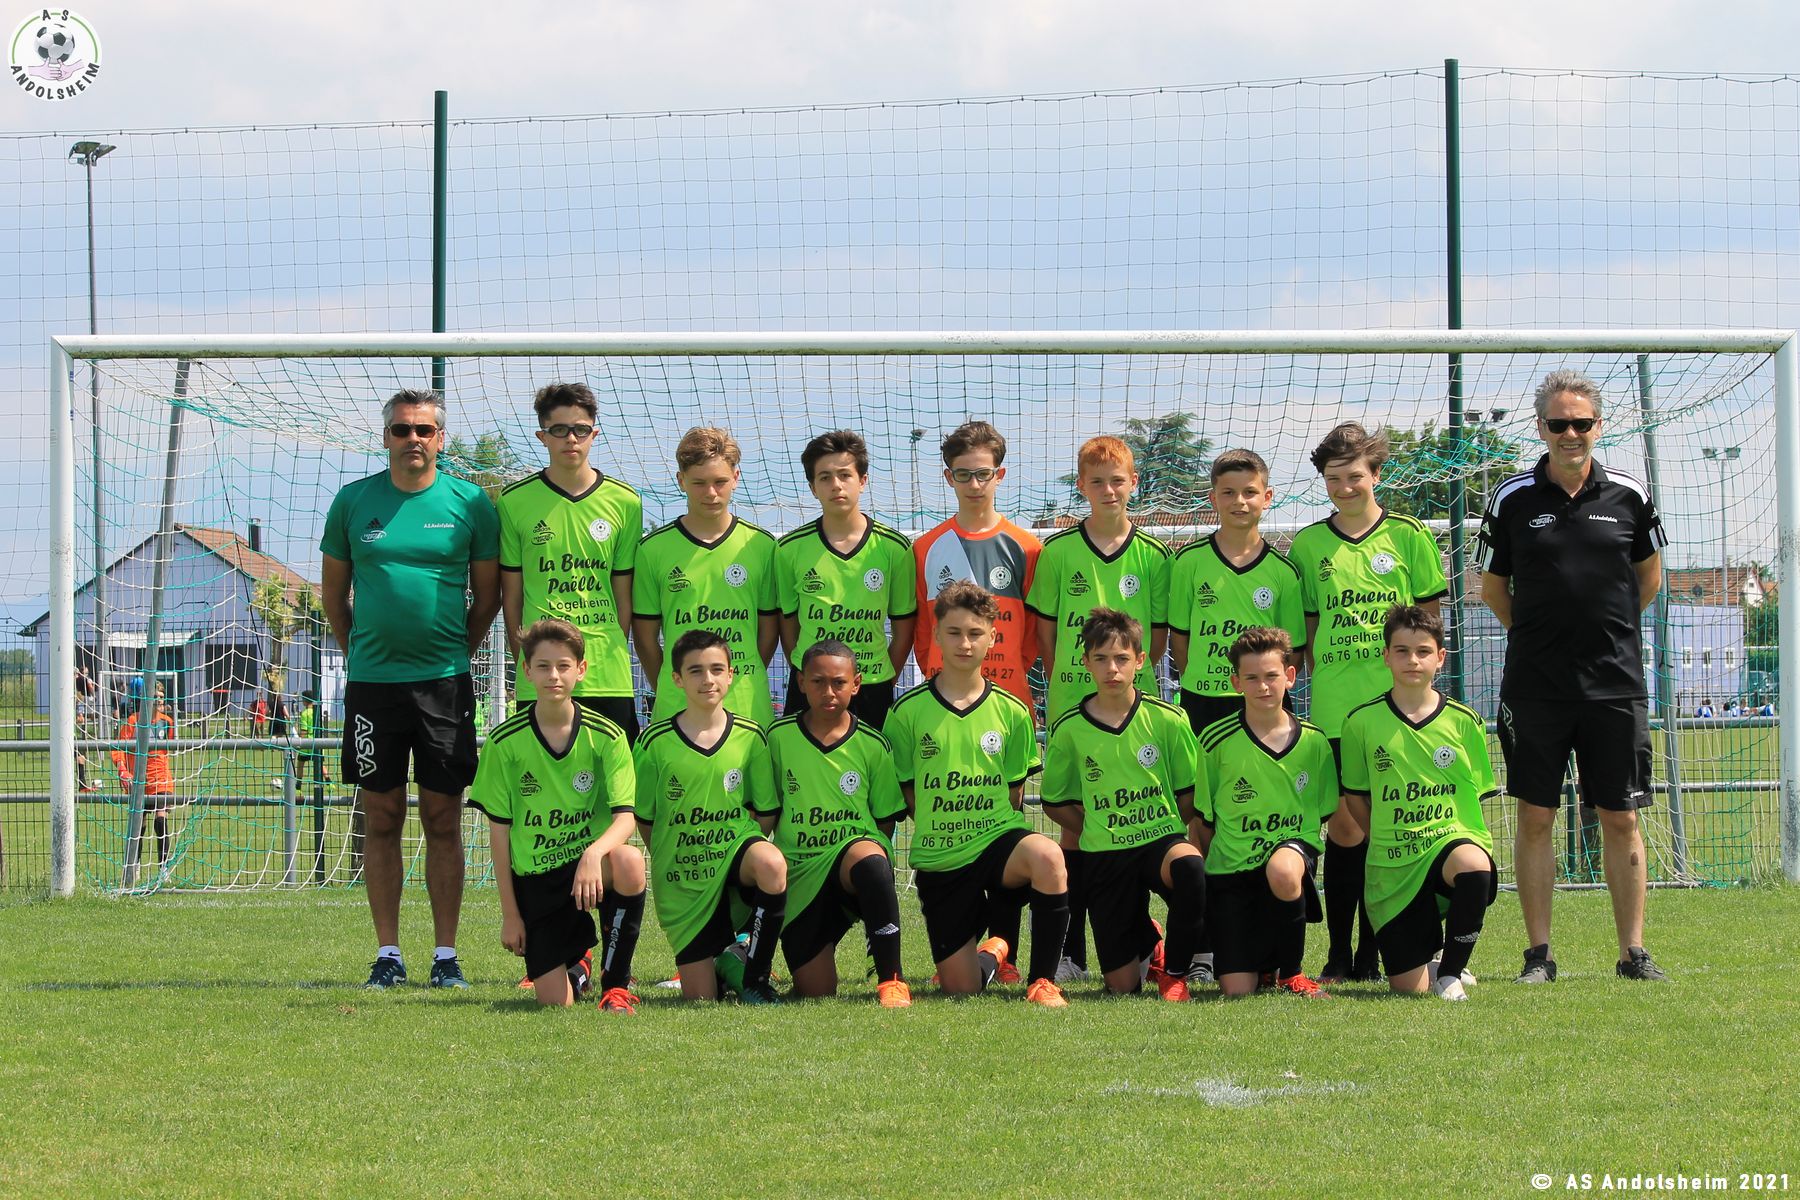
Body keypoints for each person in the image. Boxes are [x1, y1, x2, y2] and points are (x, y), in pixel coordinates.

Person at [1479, 369, 1670, 984]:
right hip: (1536, 687)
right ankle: (1539, 955)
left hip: (1615, 685)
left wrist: (1604, 634)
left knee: (1622, 818)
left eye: (1581, 423)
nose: (1570, 433)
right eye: (1558, 423)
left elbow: (1648, 580)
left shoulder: (1631, 495)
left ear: (1598, 427)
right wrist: (1540, 637)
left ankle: (1634, 954)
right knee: (1536, 817)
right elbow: (1492, 588)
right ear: (1541, 428)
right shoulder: (1511, 498)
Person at [321, 388, 501, 990]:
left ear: (440, 438)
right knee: (381, 815)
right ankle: (388, 954)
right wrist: (361, 657)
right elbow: (333, 598)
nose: (413, 439)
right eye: (402, 429)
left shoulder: (470, 502)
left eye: (424, 429)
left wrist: (455, 654)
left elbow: (488, 598)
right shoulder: (353, 502)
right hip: (373, 688)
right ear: (386, 437)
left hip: (444, 686)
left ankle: (446, 956)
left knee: (443, 816)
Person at [1289, 421, 1447, 984]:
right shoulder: (1309, 545)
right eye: (1333, 479)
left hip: (1398, 710)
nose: (1345, 488)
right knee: (1345, 832)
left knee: (1392, 829)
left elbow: (1428, 624)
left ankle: (1380, 952)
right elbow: (1307, 631)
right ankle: (1339, 954)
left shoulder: (1408, 535)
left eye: (1354, 476)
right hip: (1336, 709)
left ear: (1376, 474)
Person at [1026, 435, 1171, 983]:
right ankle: (1070, 953)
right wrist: (1069, 679)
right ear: (1081, 487)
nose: (1108, 490)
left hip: (1136, 709)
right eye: (1096, 482)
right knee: (1074, 829)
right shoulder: (1059, 552)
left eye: (1117, 481)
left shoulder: (1153, 555)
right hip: (1074, 706)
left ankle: (1140, 943)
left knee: (1135, 828)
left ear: (1134, 483)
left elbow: (1156, 640)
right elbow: (1046, 634)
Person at [886, 582, 1070, 1006]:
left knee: (1048, 856)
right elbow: (909, 793)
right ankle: (992, 951)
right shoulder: (907, 712)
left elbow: (1014, 795)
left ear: (992, 636)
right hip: (941, 855)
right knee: (960, 988)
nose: (964, 643)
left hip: (994, 842)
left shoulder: (1013, 711)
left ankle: (1042, 981)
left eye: (974, 633)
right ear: (936, 634)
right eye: (954, 632)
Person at [909, 420, 1043, 984]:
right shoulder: (926, 548)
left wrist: (1005, 680)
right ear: (949, 478)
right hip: (945, 707)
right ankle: (970, 945)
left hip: (1005, 704)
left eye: (982, 474)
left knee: (1006, 823)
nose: (973, 484)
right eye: (962, 474)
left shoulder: (1029, 547)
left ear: (1000, 475)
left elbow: (1031, 635)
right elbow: (924, 631)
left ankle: (1003, 950)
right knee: (951, 821)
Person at [469, 619, 646, 1011]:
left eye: (564, 666)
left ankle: (616, 985)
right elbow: (499, 833)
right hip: (536, 880)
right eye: (544, 666)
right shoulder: (504, 743)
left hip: (588, 869)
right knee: (555, 1003)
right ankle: (579, 965)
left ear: (580, 670)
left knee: (630, 861)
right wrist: (510, 915)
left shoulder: (607, 735)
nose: (554, 675)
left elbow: (626, 818)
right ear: (526, 670)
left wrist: (593, 853)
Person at [1042, 608, 1205, 1002]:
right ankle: (1149, 941)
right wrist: (1096, 826)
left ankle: (1175, 974)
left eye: (1121, 658)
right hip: (1105, 853)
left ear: (1140, 660)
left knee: (1190, 866)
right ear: (1086, 662)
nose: (1112, 669)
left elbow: (1190, 795)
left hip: (1158, 843)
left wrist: (1166, 826)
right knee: (1122, 987)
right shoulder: (1069, 729)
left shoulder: (1168, 719)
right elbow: (1054, 801)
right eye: (1101, 658)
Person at [1339, 606, 1498, 1001]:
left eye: (1423, 651)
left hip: (1445, 844)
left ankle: (1451, 974)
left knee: (1473, 864)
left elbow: (1475, 797)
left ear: (1440, 658)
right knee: (1407, 988)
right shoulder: (1360, 722)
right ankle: (1432, 967)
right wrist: (1381, 835)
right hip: (1392, 863)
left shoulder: (1464, 721)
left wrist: (1464, 840)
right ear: (1386, 656)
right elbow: (1356, 795)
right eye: (1402, 651)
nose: (1413, 660)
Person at [634, 630, 787, 1004]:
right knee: (702, 998)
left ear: (731, 675)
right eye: (696, 671)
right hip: (684, 877)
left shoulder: (750, 736)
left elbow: (766, 813)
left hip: (732, 857)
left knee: (770, 862)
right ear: (677, 679)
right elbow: (646, 819)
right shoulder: (654, 743)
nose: (708, 679)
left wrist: (735, 851)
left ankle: (755, 978)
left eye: (717, 669)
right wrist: (677, 854)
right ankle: (728, 961)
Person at [759, 640, 912, 1007]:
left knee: (871, 860)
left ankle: (891, 978)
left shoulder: (873, 744)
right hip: (800, 875)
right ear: (801, 682)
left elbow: (884, 822)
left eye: (839, 682)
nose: (828, 691)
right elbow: (766, 813)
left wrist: (872, 868)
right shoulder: (777, 739)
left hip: (850, 867)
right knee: (817, 991)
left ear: (856, 684)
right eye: (818, 682)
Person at [1193, 627, 1336, 998]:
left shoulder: (1315, 742)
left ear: (1289, 676)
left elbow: (1321, 814)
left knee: (1283, 867)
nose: (1263, 686)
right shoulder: (1214, 741)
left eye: (1272, 676)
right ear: (1236, 683)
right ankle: (1264, 963)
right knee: (1237, 990)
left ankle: (1292, 973)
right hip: (1232, 872)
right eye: (1252, 678)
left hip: (1287, 860)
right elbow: (1203, 822)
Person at [498, 382, 644, 738]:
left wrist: (608, 646)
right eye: (560, 430)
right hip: (541, 673)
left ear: (594, 433)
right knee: (542, 768)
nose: (571, 439)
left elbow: (623, 594)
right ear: (542, 436)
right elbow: (512, 597)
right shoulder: (513, 502)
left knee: (615, 768)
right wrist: (526, 659)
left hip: (606, 672)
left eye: (580, 429)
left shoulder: (626, 502)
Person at [634, 426, 780, 729]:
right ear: (681, 481)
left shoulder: (762, 546)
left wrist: (743, 674)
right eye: (699, 483)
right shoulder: (652, 549)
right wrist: (675, 683)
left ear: (736, 478)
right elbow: (645, 639)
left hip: (747, 704)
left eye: (720, 482)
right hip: (677, 705)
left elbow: (768, 632)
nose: (711, 493)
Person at [775, 430, 916, 729]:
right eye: (825, 477)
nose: (836, 485)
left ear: (862, 481)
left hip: (872, 683)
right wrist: (808, 672)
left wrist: (884, 678)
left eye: (844, 475)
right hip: (812, 685)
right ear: (813, 487)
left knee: (875, 759)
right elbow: (788, 625)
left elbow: (904, 628)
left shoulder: (894, 548)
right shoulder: (789, 549)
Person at [1169, 449, 1307, 735]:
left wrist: (1261, 682)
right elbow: (1180, 640)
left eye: (1249, 492)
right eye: (1229, 493)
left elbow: (1294, 651)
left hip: (1263, 698)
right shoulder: (1188, 562)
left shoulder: (1284, 571)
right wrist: (1202, 679)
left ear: (1267, 497)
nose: (1239, 501)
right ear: (1213, 498)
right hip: (1204, 698)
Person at [112, 682, 177, 869]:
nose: (159, 700)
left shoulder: (167, 722)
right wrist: (123, 770)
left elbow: (167, 750)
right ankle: (135, 866)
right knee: (139, 824)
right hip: (139, 780)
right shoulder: (133, 721)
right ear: (146, 698)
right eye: (155, 696)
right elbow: (119, 748)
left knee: (161, 819)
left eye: (161, 697)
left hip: (161, 780)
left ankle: (163, 868)